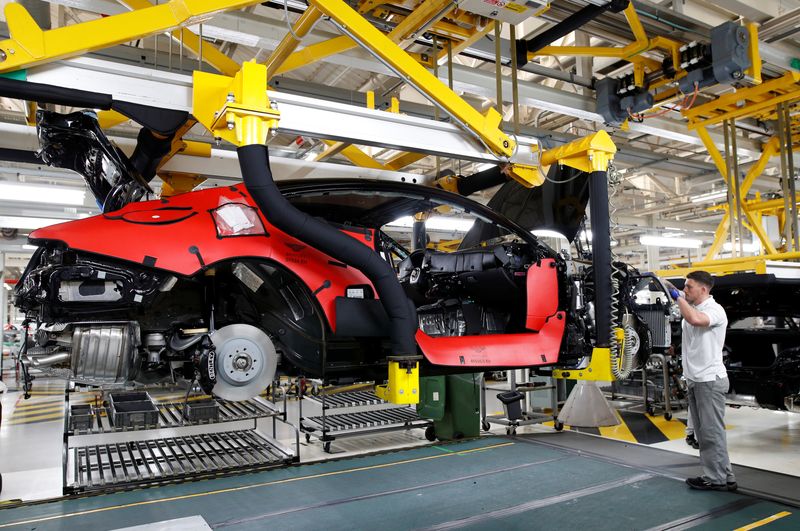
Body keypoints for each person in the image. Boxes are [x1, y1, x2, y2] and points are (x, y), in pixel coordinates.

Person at [667, 271, 736, 491]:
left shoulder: (714, 310)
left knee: (710, 433)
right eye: (684, 287)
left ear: (703, 289)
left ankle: (715, 479)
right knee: (707, 433)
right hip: (696, 379)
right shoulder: (695, 308)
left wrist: (677, 296)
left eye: (689, 287)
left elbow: (695, 321)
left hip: (709, 380)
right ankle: (725, 475)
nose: (685, 290)